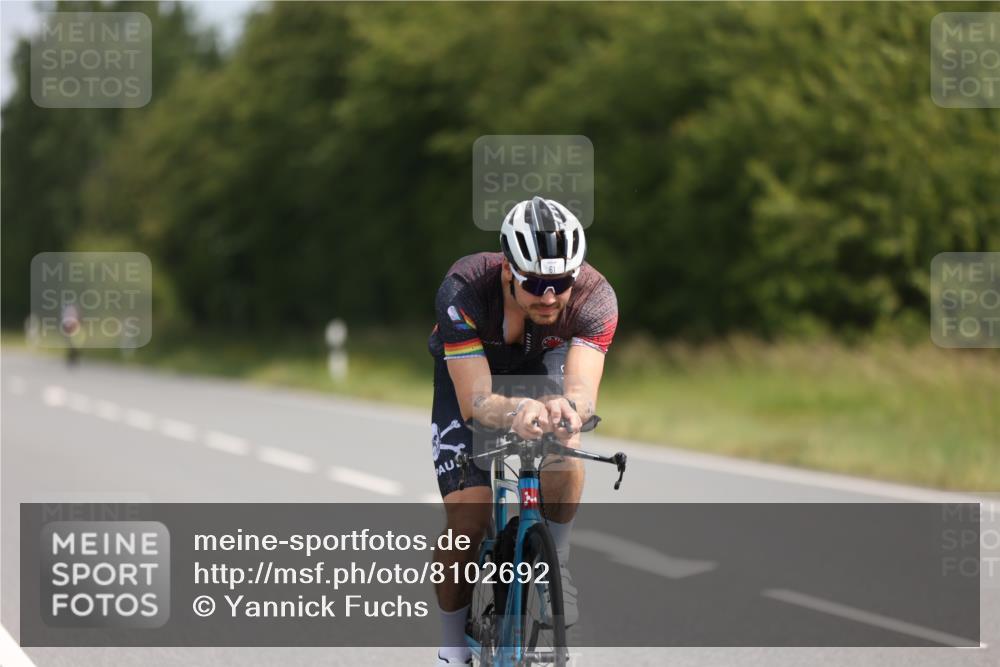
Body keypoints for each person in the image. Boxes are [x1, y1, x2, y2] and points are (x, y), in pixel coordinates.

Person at [428, 196, 618, 665]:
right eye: (535, 283)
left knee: (566, 443)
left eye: (560, 283)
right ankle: (452, 647)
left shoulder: (596, 297)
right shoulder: (464, 288)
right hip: (473, 373)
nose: (549, 296)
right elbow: (476, 402)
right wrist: (514, 413)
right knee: (467, 526)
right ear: (508, 269)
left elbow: (581, 389)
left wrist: (568, 410)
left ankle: (558, 559)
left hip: (543, 362)